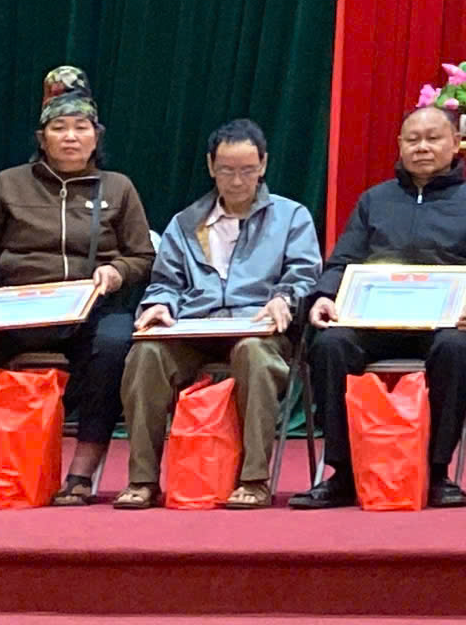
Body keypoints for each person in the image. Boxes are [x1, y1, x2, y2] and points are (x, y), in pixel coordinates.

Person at [0, 67, 155, 506]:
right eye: (59, 128)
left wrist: (116, 272)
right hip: (15, 311)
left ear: (96, 136)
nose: (70, 137)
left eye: (81, 127)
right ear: (42, 137)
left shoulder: (119, 188)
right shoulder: (8, 184)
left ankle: (80, 474)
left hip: (87, 309)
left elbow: (142, 255)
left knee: (115, 345)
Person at [292, 106, 466, 509]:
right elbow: (342, 262)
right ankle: (343, 471)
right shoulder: (375, 200)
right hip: (373, 323)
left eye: (433, 138)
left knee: (456, 348)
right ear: (400, 145)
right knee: (330, 344)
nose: (422, 147)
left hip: (444, 325)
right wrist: (324, 296)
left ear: (456, 144)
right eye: (413, 139)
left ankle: (437, 471)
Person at [117, 120, 320, 509]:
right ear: (211, 166)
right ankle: (142, 479)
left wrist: (284, 298)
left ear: (263, 165)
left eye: (247, 170)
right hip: (194, 328)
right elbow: (165, 282)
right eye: (227, 170)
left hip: (259, 327)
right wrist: (159, 305)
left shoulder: (291, 216)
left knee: (253, 353)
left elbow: (305, 274)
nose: (238, 180)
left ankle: (254, 479)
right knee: (146, 354)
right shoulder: (186, 222)